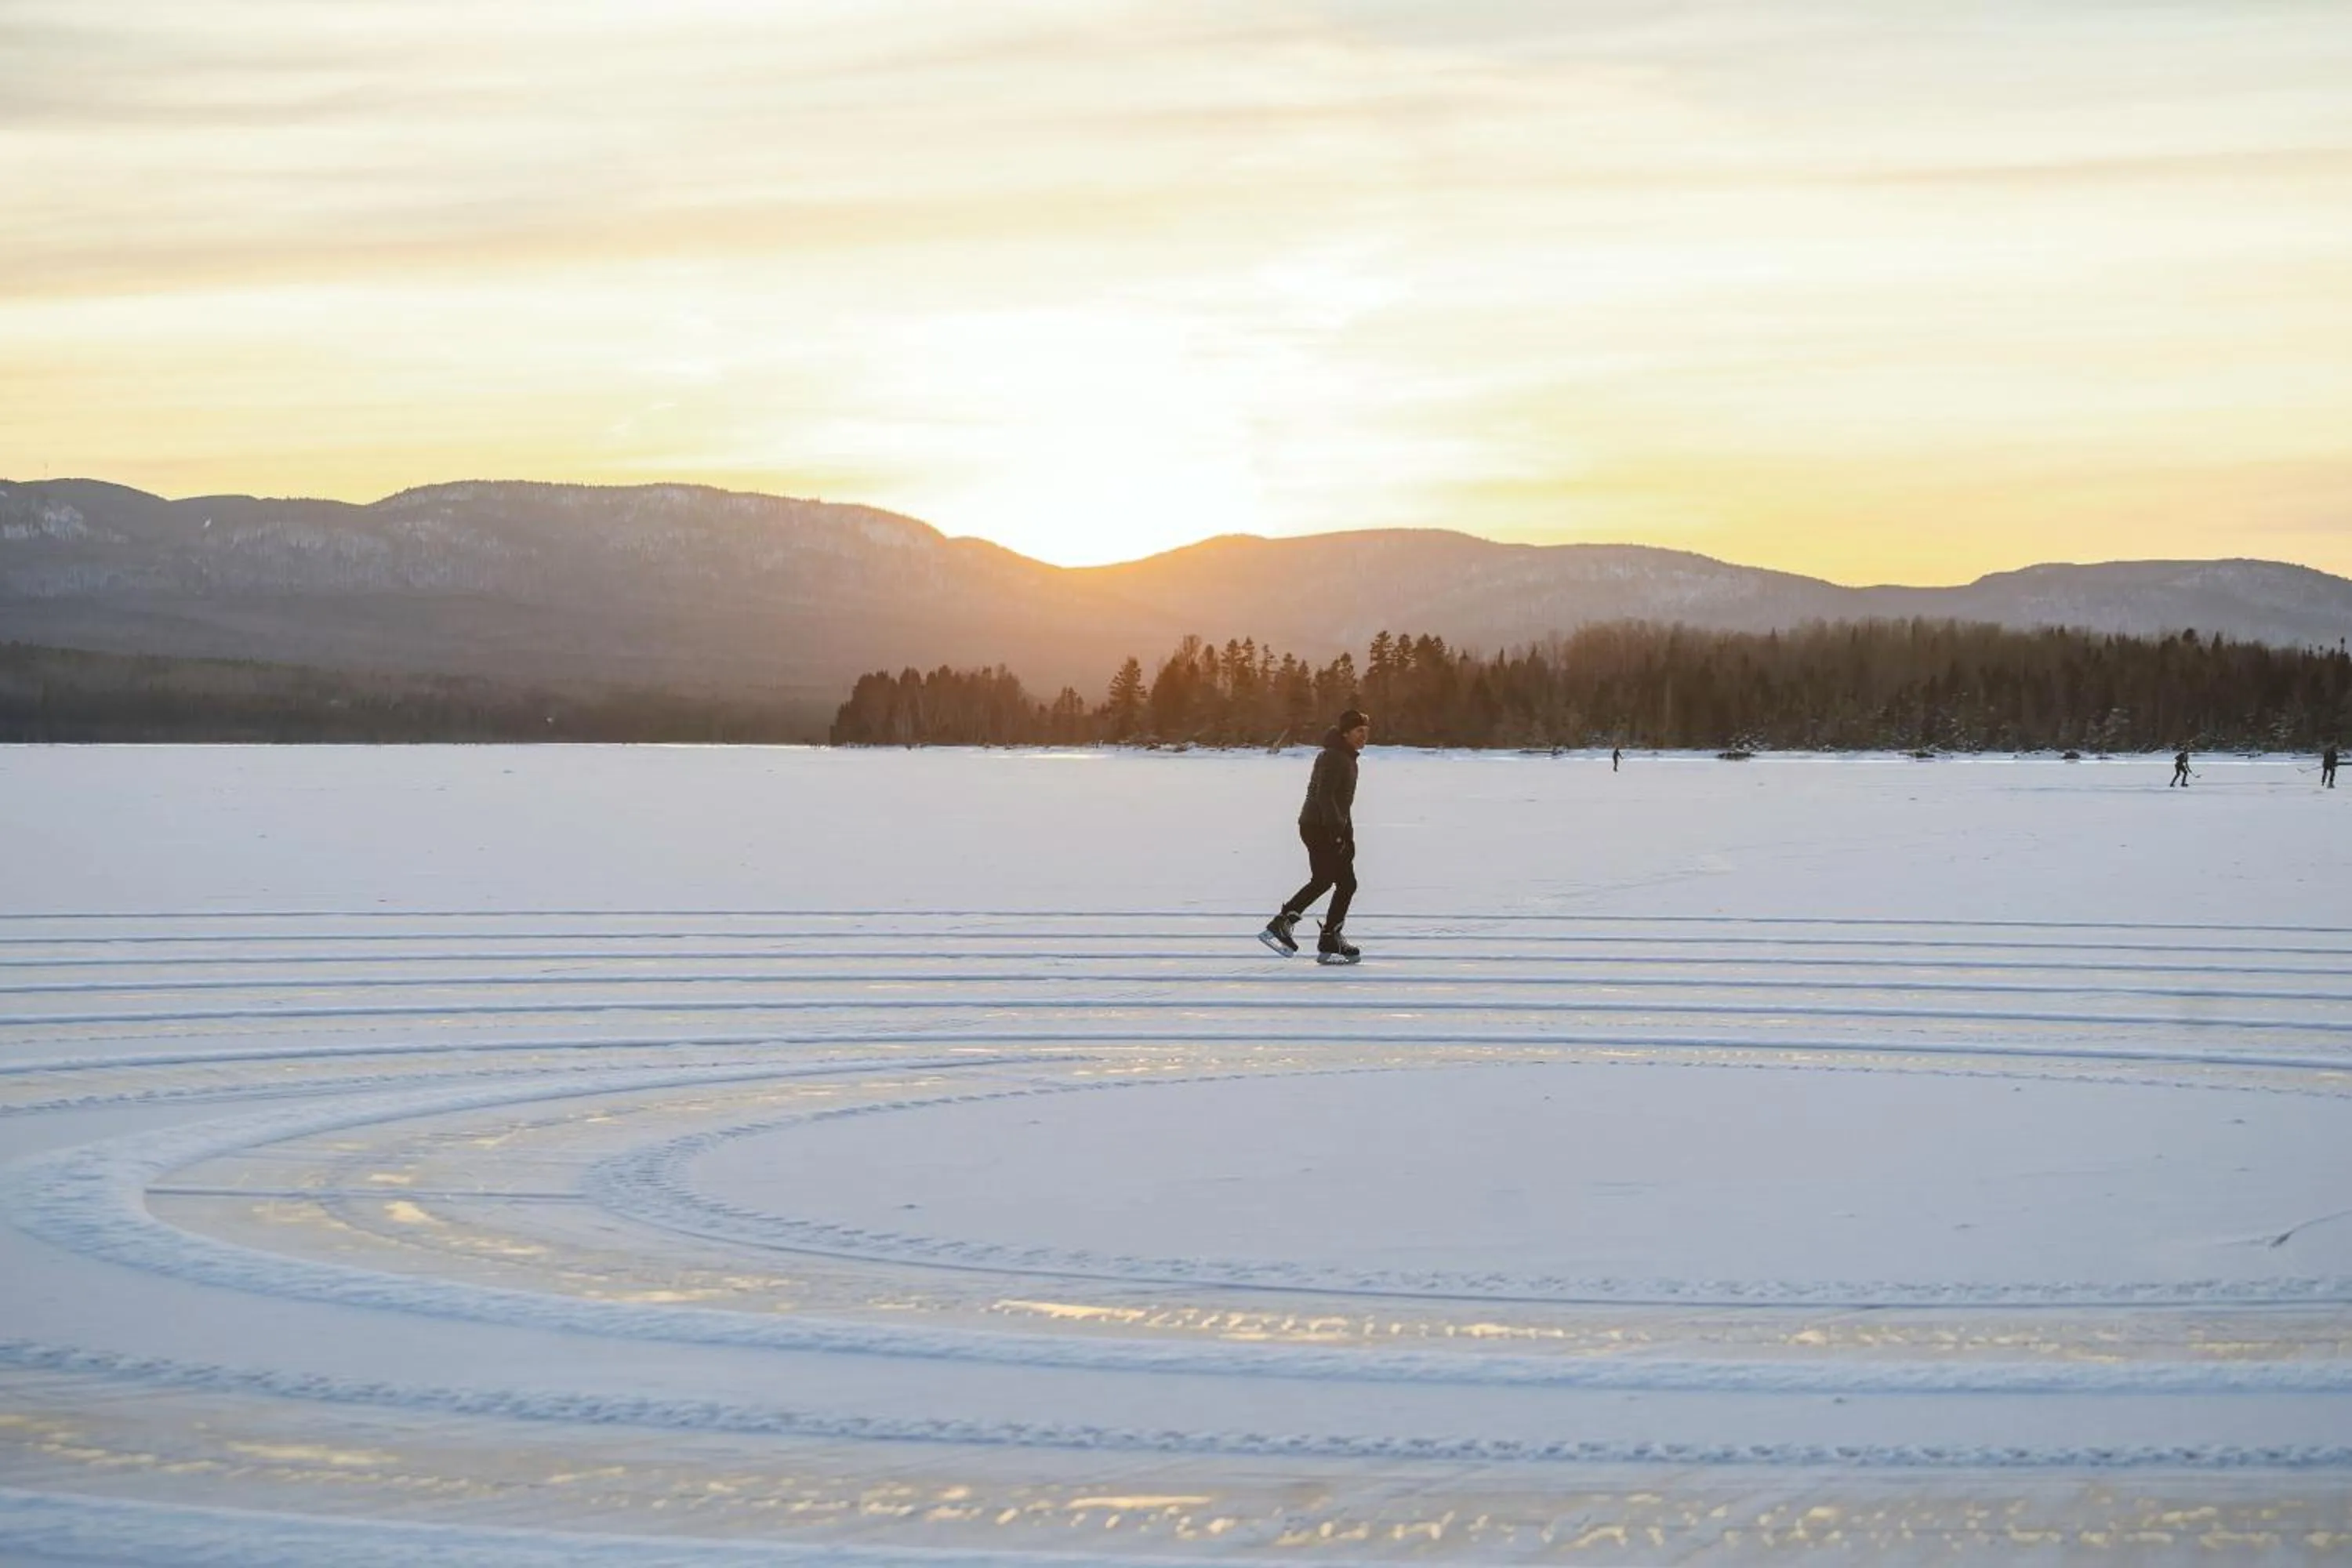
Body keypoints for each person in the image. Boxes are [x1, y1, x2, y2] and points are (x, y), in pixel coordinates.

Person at [1261, 709, 1370, 964]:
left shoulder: (1346, 757)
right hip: (1317, 826)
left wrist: (1348, 837)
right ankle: (1283, 923)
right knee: (1324, 880)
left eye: (1366, 732)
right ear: (1345, 733)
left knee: (1345, 883)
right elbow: (1325, 797)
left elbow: (1342, 804)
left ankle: (1330, 938)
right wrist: (1336, 833)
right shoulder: (1333, 757)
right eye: (1358, 732)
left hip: (1325, 825)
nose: (1364, 737)